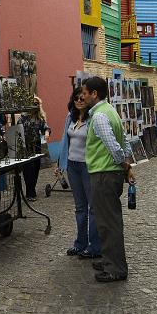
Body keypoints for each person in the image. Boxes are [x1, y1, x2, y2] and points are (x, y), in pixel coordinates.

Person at [80, 77, 134, 283]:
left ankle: (116, 268)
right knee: (107, 221)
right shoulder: (110, 111)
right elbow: (125, 139)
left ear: (94, 94)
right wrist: (127, 164)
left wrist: (125, 165)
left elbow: (113, 145)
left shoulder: (100, 116)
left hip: (104, 174)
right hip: (108, 173)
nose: (82, 96)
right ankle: (109, 259)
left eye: (85, 93)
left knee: (108, 222)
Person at [56, 86, 101, 260]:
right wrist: (61, 163)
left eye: (83, 98)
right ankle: (80, 243)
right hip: (73, 166)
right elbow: (64, 140)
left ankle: (95, 246)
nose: (79, 101)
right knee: (80, 207)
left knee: (93, 208)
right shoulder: (70, 117)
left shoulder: (93, 118)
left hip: (88, 166)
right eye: (77, 98)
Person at [18, 96, 51, 201]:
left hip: (36, 145)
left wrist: (46, 133)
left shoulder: (39, 118)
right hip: (25, 145)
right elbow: (18, 129)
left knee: (36, 168)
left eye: (36, 104)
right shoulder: (23, 117)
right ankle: (30, 192)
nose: (34, 106)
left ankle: (32, 189)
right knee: (28, 169)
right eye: (33, 103)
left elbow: (46, 127)